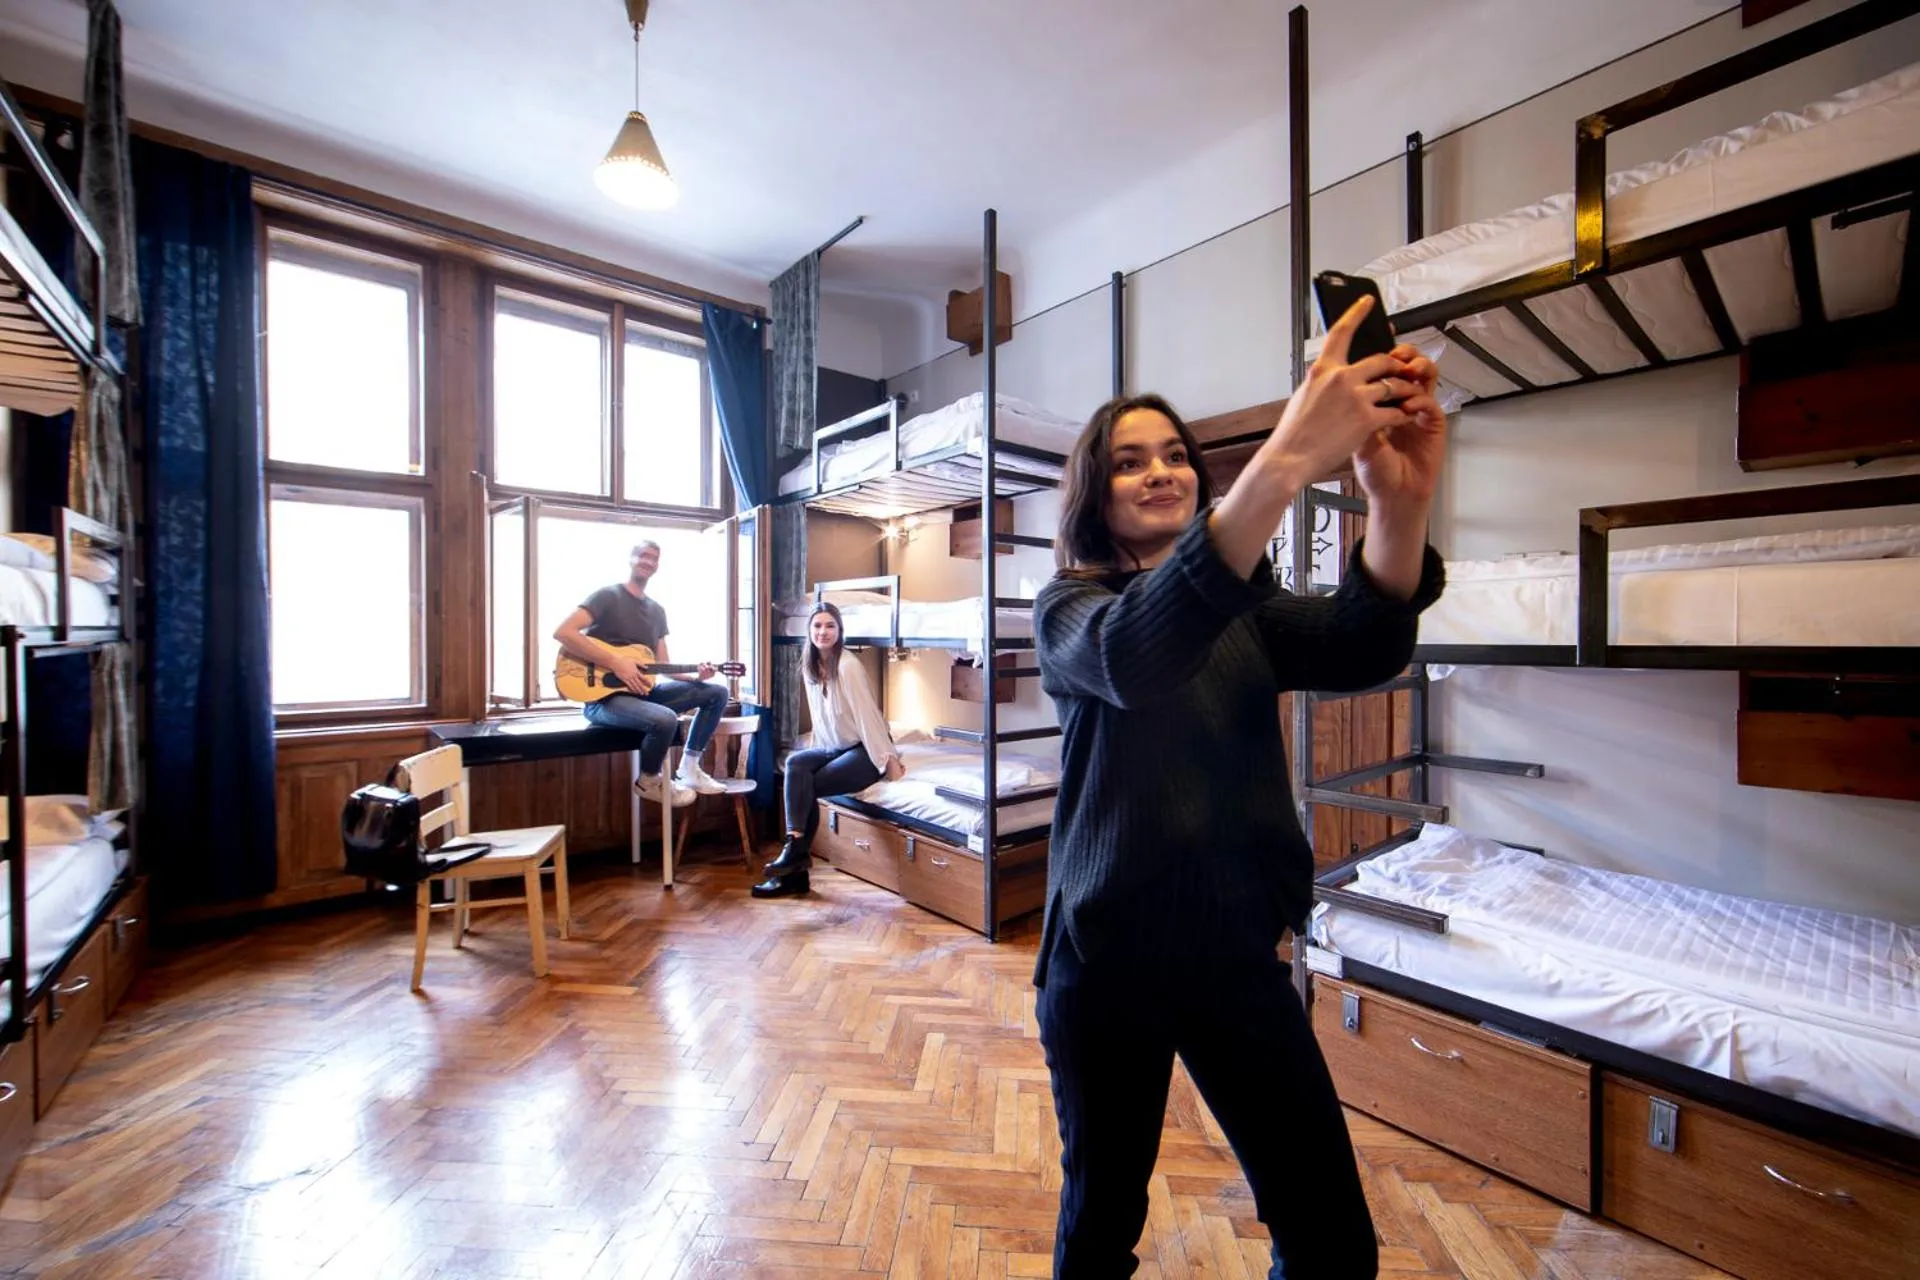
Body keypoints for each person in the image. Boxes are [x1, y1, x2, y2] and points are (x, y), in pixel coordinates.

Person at [1032, 296, 1448, 1279]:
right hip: (1107, 967)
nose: (1160, 469)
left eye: (1173, 452)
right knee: (1099, 1224)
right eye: (1130, 459)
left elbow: (1364, 639)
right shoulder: (1069, 609)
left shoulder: (1245, 608)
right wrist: (1290, 460)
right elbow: (1141, 651)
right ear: (1095, 495)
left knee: (1333, 1238)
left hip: (1234, 955)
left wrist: (1400, 504)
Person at [554, 539, 730, 807]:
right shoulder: (607, 596)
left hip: (643, 693)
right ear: (631, 558)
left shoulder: (656, 611)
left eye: (654, 558)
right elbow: (563, 633)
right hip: (604, 700)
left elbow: (663, 664)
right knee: (664, 719)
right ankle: (649, 779)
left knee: (717, 692)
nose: (649, 561)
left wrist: (697, 676)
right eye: (643, 555)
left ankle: (690, 766)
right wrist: (615, 662)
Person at [753, 601, 905, 898]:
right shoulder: (810, 664)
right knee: (796, 765)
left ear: (839, 631)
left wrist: (889, 761)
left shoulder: (848, 666)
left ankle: (793, 868)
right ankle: (795, 853)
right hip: (834, 747)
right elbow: (822, 719)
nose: (823, 632)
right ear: (809, 630)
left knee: (804, 787)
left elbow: (867, 716)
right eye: (818, 626)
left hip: (863, 750)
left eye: (830, 626)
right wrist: (816, 755)